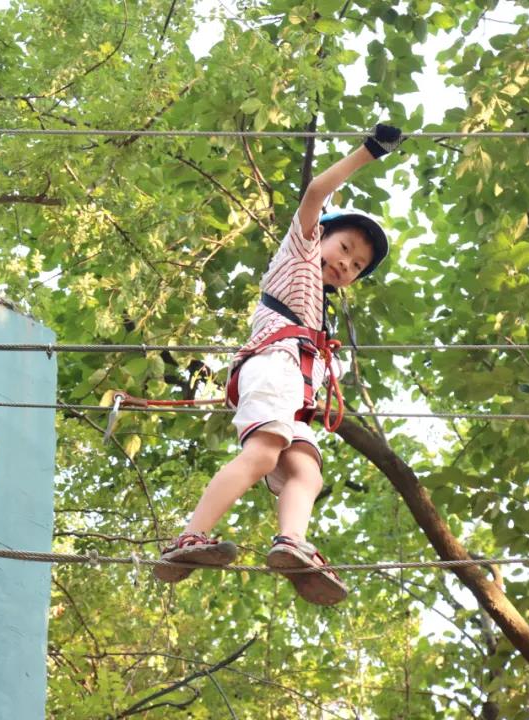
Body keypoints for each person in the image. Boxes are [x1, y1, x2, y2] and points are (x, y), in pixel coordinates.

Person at [152, 124, 403, 605]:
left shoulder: (319, 311)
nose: (345, 265)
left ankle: (292, 543)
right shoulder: (301, 256)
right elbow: (316, 192)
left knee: (307, 472)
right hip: (271, 366)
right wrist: (368, 153)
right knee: (264, 454)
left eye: (355, 267)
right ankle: (190, 537)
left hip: (295, 394)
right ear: (322, 236)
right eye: (345, 249)